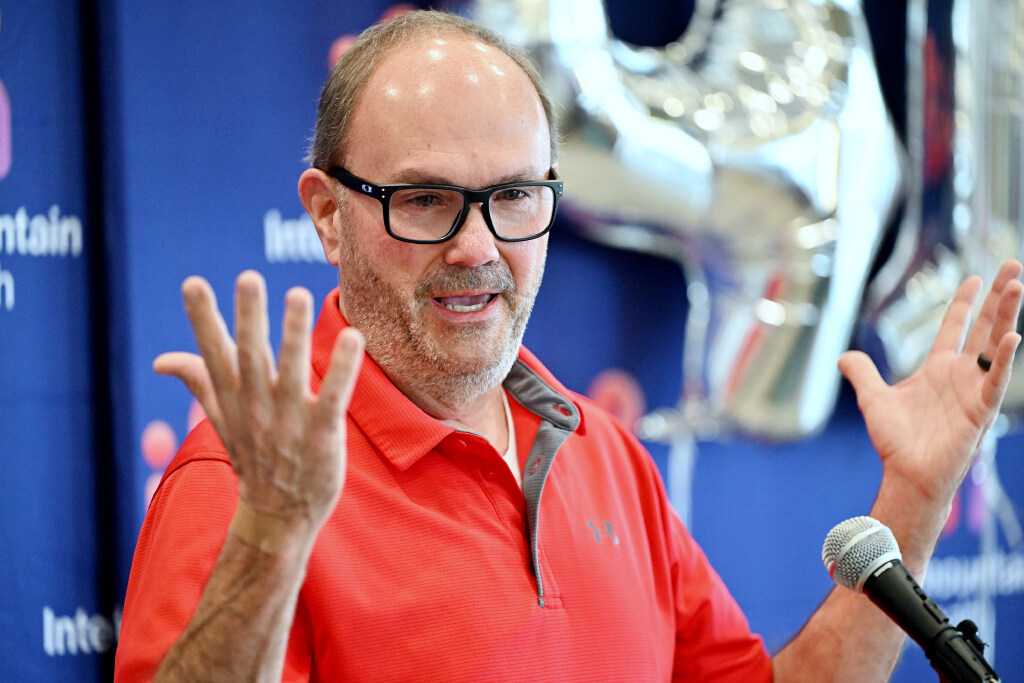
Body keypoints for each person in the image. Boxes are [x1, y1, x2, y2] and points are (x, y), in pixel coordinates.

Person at [114, 9, 1023, 682]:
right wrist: (271, 543)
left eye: (514, 195)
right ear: (327, 215)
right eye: (425, 199)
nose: (477, 246)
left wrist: (915, 497)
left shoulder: (604, 453)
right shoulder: (246, 485)